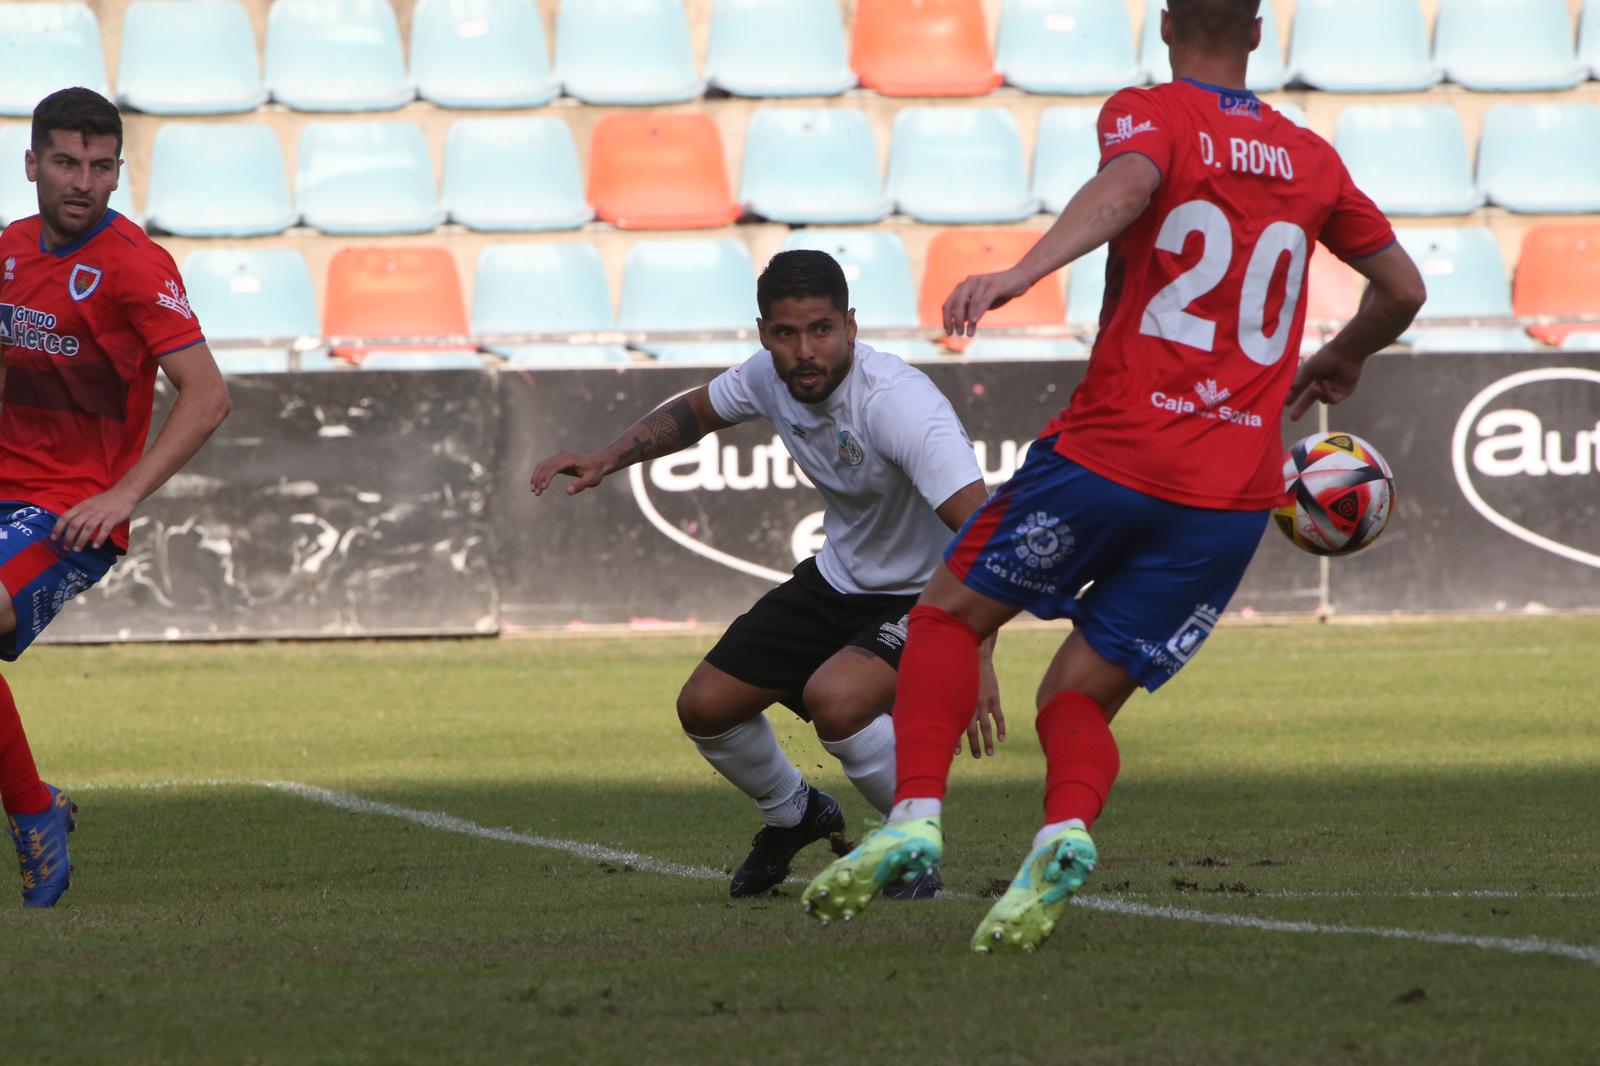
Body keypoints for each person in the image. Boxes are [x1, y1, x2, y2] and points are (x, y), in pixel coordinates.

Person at [802, 0, 1426, 951]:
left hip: (1114, 453)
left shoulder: (1151, 112)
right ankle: (1063, 832)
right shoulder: (1312, 159)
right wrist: (1348, 355)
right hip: (1230, 497)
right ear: (1258, 32)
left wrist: (1021, 270)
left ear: (1168, 22)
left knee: (945, 618)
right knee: (1077, 696)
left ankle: (915, 817)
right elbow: (1405, 289)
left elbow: (1130, 187)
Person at [531, 250, 1004, 899]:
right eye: (786, 333)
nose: (804, 350)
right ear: (764, 334)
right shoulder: (768, 378)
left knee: (836, 700)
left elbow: (988, 535)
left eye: (821, 330)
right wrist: (607, 457)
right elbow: (696, 412)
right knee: (706, 708)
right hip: (840, 580)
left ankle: (909, 845)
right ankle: (795, 813)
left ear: (852, 327)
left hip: (927, 592)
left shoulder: (900, 405)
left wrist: (977, 647)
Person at [0, 87, 231, 906]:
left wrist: (123, 496)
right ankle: (38, 807)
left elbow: (206, 395)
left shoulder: (136, 266)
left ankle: (30, 812)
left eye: (101, 166)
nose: (83, 181)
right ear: (32, 164)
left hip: (69, 509)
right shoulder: (10, 248)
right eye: (66, 161)